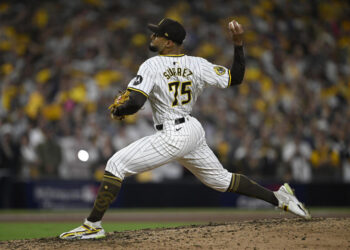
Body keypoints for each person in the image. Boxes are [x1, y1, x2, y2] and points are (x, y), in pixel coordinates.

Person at [60, 18, 310, 240]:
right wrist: (238, 45)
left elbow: (135, 103)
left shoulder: (152, 65)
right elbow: (236, 77)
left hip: (172, 134)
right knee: (222, 181)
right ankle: (280, 197)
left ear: (169, 43)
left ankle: (92, 225)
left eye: (157, 34)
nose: (152, 37)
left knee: (116, 164)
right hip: (191, 129)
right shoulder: (197, 64)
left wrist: (118, 110)